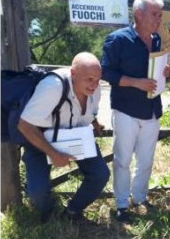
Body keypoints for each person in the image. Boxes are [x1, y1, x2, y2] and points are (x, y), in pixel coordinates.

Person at [18, 52, 110, 223]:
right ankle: (48, 212)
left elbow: (89, 110)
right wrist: (53, 153)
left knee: (100, 174)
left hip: (75, 135)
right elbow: (24, 125)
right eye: (89, 79)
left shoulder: (95, 90)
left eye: (98, 80)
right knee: (37, 191)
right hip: (40, 138)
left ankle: (72, 212)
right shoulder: (52, 87)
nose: (94, 85)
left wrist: (95, 122)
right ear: (73, 74)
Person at [101, 0, 169, 223]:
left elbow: (153, 70)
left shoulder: (156, 39)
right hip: (126, 110)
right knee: (122, 160)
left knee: (147, 160)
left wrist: (162, 72)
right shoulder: (117, 39)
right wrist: (135, 82)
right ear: (138, 14)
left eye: (160, 15)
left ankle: (139, 198)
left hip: (151, 109)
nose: (158, 19)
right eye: (154, 14)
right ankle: (121, 205)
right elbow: (107, 72)